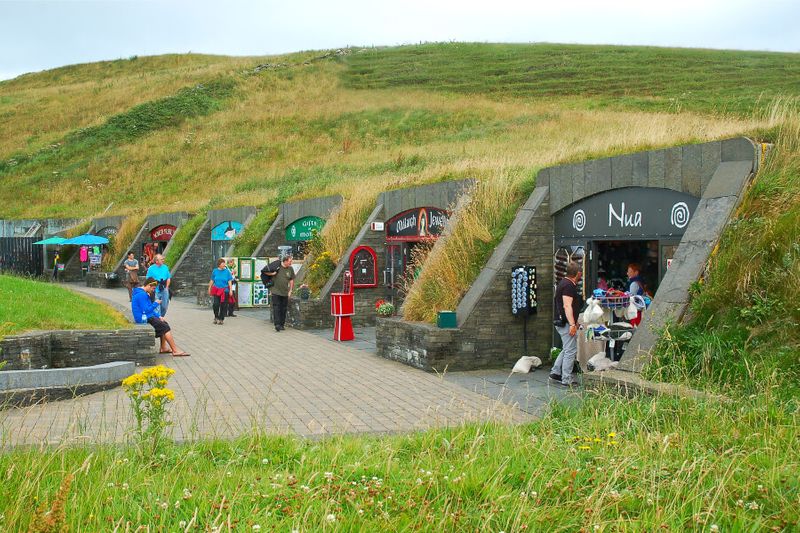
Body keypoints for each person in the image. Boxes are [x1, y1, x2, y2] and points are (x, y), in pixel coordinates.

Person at [131, 277, 189, 356]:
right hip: (143, 319)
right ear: (148, 285)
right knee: (165, 328)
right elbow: (146, 310)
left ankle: (163, 348)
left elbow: (148, 309)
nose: (153, 290)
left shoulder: (142, 293)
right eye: (153, 288)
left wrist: (158, 316)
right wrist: (156, 303)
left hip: (147, 316)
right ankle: (175, 351)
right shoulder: (142, 295)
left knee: (164, 323)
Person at [550, 261, 583, 387]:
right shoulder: (568, 286)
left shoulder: (563, 283)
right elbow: (567, 305)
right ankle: (567, 378)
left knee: (566, 349)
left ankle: (556, 372)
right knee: (570, 350)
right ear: (578, 273)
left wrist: (575, 321)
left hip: (562, 322)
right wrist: (572, 324)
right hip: (566, 323)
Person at [266, 254, 295, 332]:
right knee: (276, 308)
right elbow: (265, 272)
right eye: (290, 261)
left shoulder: (290, 269)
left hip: (285, 292)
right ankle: (277, 325)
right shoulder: (277, 266)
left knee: (283, 309)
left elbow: (291, 280)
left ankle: (282, 324)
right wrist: (272, 274)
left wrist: (290, 291)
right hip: (275, 291)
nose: (291, 263)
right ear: (285, 261)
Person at [208, 258, 234, 325]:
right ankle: (216, 317)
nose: (224, 265)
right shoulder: (215, 271)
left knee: (224, 305)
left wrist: (230, 290)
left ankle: (221, 319)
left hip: (225, 290)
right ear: (219, 265)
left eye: (224, 263)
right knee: (216, 304)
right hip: (216, 290)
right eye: (223, 264)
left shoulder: (227, 271)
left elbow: (229, 281)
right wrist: (209, 288)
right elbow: (212, 280)